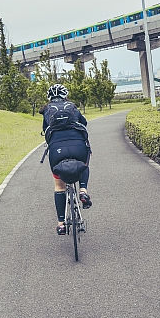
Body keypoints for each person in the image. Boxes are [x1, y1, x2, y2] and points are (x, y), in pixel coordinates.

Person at [40, 84, 91, 235]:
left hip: (57, 150)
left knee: (59, 186)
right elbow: (85, 123)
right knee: (84, 164)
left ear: (49, 97)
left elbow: (45, 131)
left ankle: (61, 224)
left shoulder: (47, 110)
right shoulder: (72, 106)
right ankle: (82, 190)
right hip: (78, 147)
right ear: (65, 95)